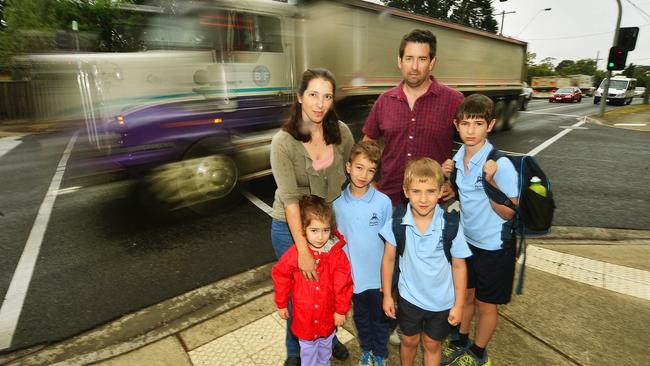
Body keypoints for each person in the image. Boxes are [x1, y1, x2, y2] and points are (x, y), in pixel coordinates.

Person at [270, 68, 354, 365]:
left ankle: (328, 337)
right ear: (300, 97)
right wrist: (303, 251)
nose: (320, 103)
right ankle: (296, 351)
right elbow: (290, 200)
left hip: (327, 227)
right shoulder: (283, 142)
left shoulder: (341, 133)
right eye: (313, 95)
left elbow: (355, 172)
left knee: (330, 286)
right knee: (300, 295)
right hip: (290, 227)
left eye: (327, 96)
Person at [441, 94, 519, 366]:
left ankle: (478, 353)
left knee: (487, 304)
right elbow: (459, 196)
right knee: (467, 295)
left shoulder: (500, 164)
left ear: (491, 125)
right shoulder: (458, 156)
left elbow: (510, 211)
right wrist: (446, 180)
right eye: (465, 124)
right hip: (468, 242)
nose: (471, 130)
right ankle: (461, 339)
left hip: (495, 247)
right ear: (456, 125)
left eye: (478, 123)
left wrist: (490, 182)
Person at [380, 157, 471, 366]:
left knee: (432, 344)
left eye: (430, 191)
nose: (423, 199)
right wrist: (387, 295)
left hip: (441, 301)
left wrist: (458, 305)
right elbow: (388, 259)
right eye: (416, 191)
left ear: (441, 192)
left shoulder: (451, 226)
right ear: (406, 191)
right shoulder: (397, 224)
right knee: (409, 340)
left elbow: (459, 266)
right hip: (409, 298)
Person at [362, 28, 463, 206]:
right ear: (399, 61)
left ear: (432, 62)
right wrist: (369, 184)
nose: (414, 67)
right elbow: (366, 146)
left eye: (422, 59)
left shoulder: (453, 100)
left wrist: (457, 184)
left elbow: (473, 145)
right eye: (409, 58)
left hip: (432, 204)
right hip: (388, 201)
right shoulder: (384, 101)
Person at [272, 195, 354, 366]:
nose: (320, 237)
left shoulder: (336, 254)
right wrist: (281, 303)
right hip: (305, 319)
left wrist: (341, 310)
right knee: (308, 355)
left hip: (327, 318)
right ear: (303, 229)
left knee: (325, 352)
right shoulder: (296, 254)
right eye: (314, 230)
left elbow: (344, 284)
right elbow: (281, 275)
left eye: (325, 230)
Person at [332, 141, 392, 366]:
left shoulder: (383, 202)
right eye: (359, 167)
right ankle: (367, 350)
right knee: (361, 319)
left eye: (370, 170)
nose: (363, 174)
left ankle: (381, 354)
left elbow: (390, 246)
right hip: (352, 279)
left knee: (380, 319)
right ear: (348, 167)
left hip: (378, 279)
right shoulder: (337, 204)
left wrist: (389, 280)